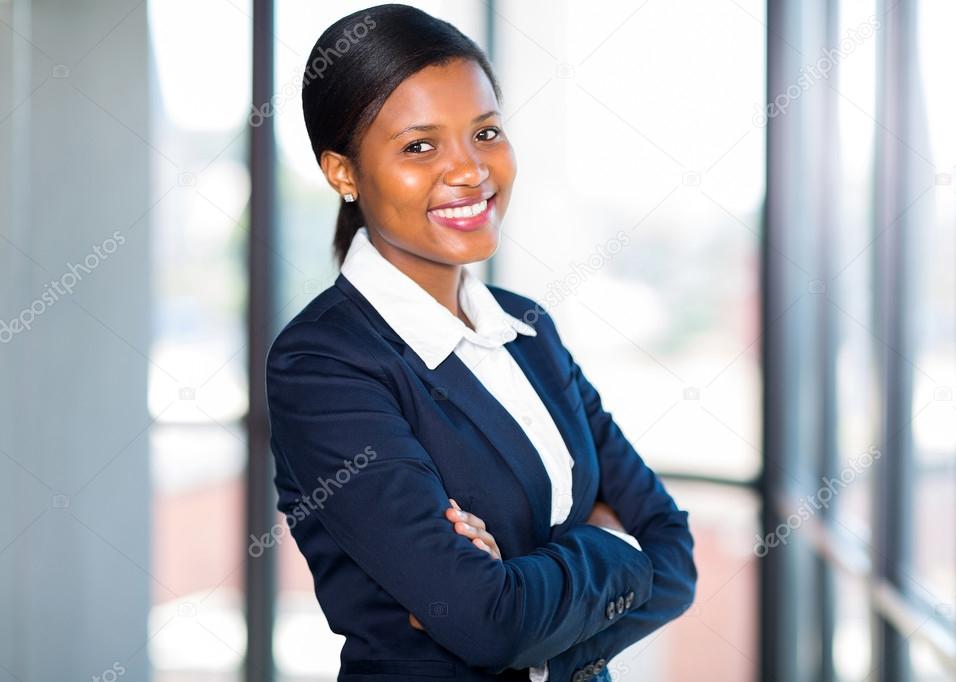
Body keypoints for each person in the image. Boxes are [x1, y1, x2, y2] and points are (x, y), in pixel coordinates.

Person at [265, 5, 697, 680]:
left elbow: (675, 558)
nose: (470, 171)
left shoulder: (526, 329)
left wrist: (525, 598)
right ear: (343, 173)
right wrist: (610, 550)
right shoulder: (324, 365)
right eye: (419, 146)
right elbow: (486, 623)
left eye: (485, 132)